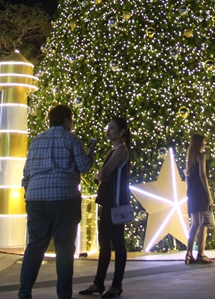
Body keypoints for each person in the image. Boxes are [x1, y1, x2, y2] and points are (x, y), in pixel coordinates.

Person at [18, 104, 96, 299]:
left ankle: (24, 292)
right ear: (67, 120)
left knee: (35, 246)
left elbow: (26, 172)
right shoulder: (71, 140)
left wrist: (29, 191)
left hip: (35, 198)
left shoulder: (36, 141)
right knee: (64, 248)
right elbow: (84, 166)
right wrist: (91, 151)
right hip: (64, 198)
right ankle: (63, 294)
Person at [79, 117, 131, 298]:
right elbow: (100, 176)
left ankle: (116, 285)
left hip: (116, 202)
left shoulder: (121, 150)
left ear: (122, 131)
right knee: (104, 244)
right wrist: (100, 175)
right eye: (107, 127)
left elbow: (104, 172)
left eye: (113, 128)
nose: (108, 130)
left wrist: (100, 175)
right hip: (107, 201)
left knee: (117, 243)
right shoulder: (113, 150)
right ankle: (98, 283)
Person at [184, 133, 214, 265]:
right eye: (203, 143)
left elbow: (188, 178)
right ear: (199, 144)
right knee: (203, 224)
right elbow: (203, 175)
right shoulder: (201, 156)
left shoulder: (189, 158)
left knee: (194, 223)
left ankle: (188, 254)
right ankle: (201, 254)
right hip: (200, 192)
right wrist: (209, 195)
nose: (204, 145)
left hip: (192, 192)